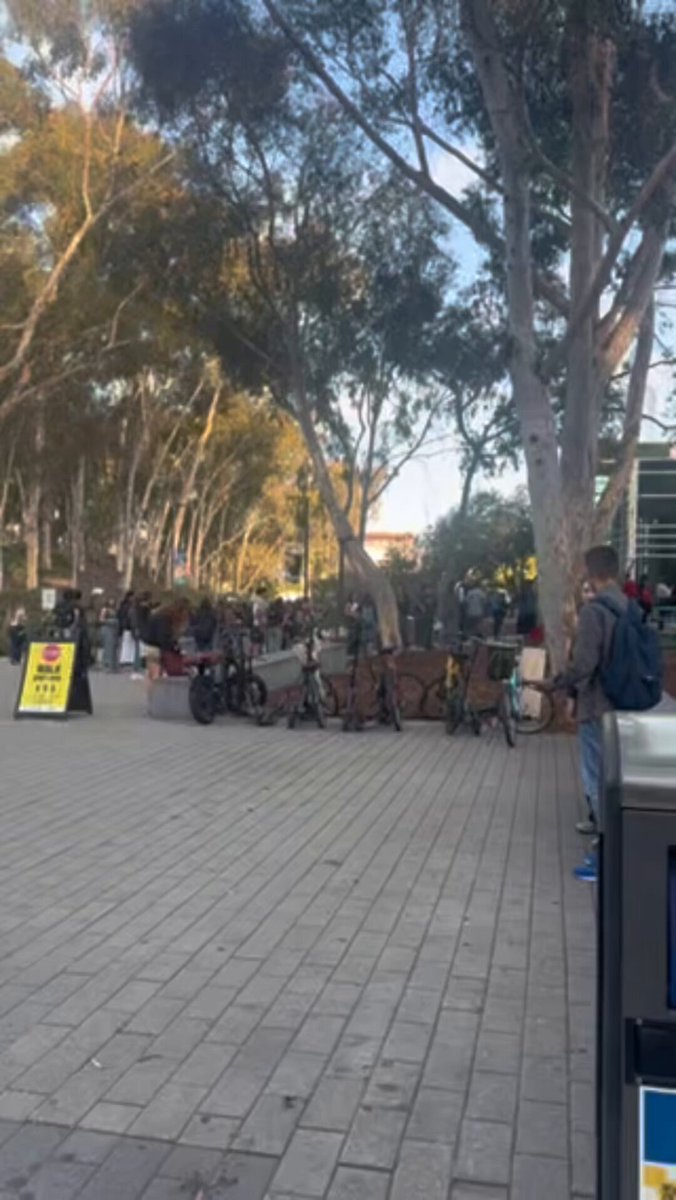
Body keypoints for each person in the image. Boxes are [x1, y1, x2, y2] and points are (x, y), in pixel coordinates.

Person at [554, 545, 661, 883]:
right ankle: (621, 850)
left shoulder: (594, 612)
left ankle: (605, 856)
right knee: (617, 780)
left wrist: (561, 684)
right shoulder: (629, 606)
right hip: (625, 704)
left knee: (598, 782)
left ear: (591, 572)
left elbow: (585, 664)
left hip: (597, 706)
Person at [100, 598, 119, 672]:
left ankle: (113, 665)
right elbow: (101, 619)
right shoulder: (105, 610)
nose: (112, 602)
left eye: (113, 601)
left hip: (113, 630)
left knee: (113, 647)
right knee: (108, 647)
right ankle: (107, 664)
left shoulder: (114, 610)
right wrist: (110, 621)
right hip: (107, 629)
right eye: (110, 601)